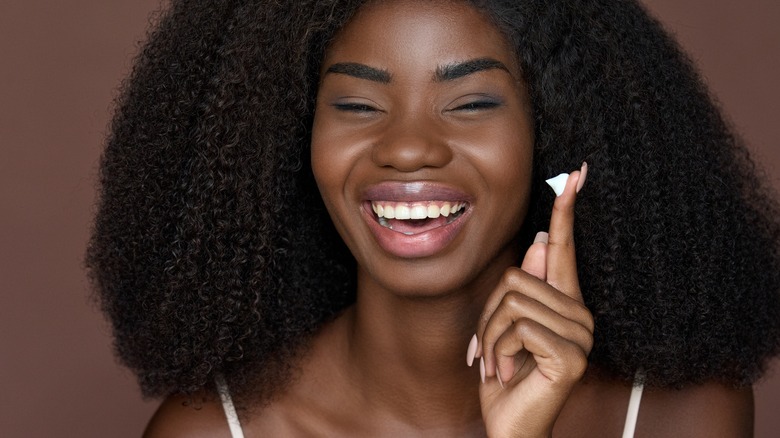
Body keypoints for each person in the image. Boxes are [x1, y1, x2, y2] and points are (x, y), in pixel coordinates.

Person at [87, 0, 780, 436]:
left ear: (558, 132)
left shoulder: (680, 416)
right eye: (357, 106)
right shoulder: (213, 432)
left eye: (472, 102)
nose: (409, 146)